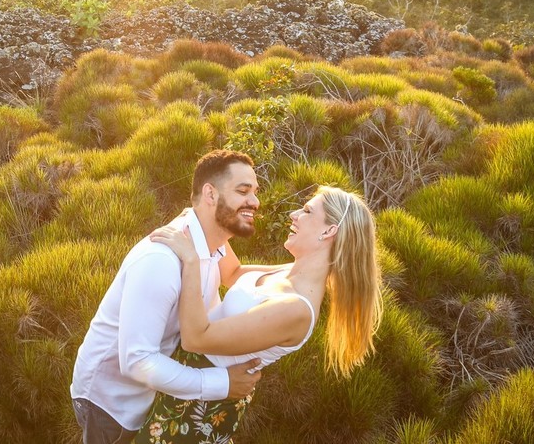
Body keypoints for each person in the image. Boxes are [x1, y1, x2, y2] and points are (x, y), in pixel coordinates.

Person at [133, 186, 383, 444]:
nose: (294, 215)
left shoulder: (297, 309)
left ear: (329, 231)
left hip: (196, 410)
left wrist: (191, 260)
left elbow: (196, 338)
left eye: (307, 211)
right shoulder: (287, 272)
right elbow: (233, 273)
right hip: (180, 381)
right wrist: (207, 219)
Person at [71, 150, 268, 444]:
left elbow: (235, 273)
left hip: (151, 392)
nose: (255, 201)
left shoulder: (211, 243)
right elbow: (137, 361)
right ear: (210, 194)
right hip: (112, 404)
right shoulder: (161, 260)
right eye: (243, 191)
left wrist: (308, 270)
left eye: (255, 191)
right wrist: (223, 384)